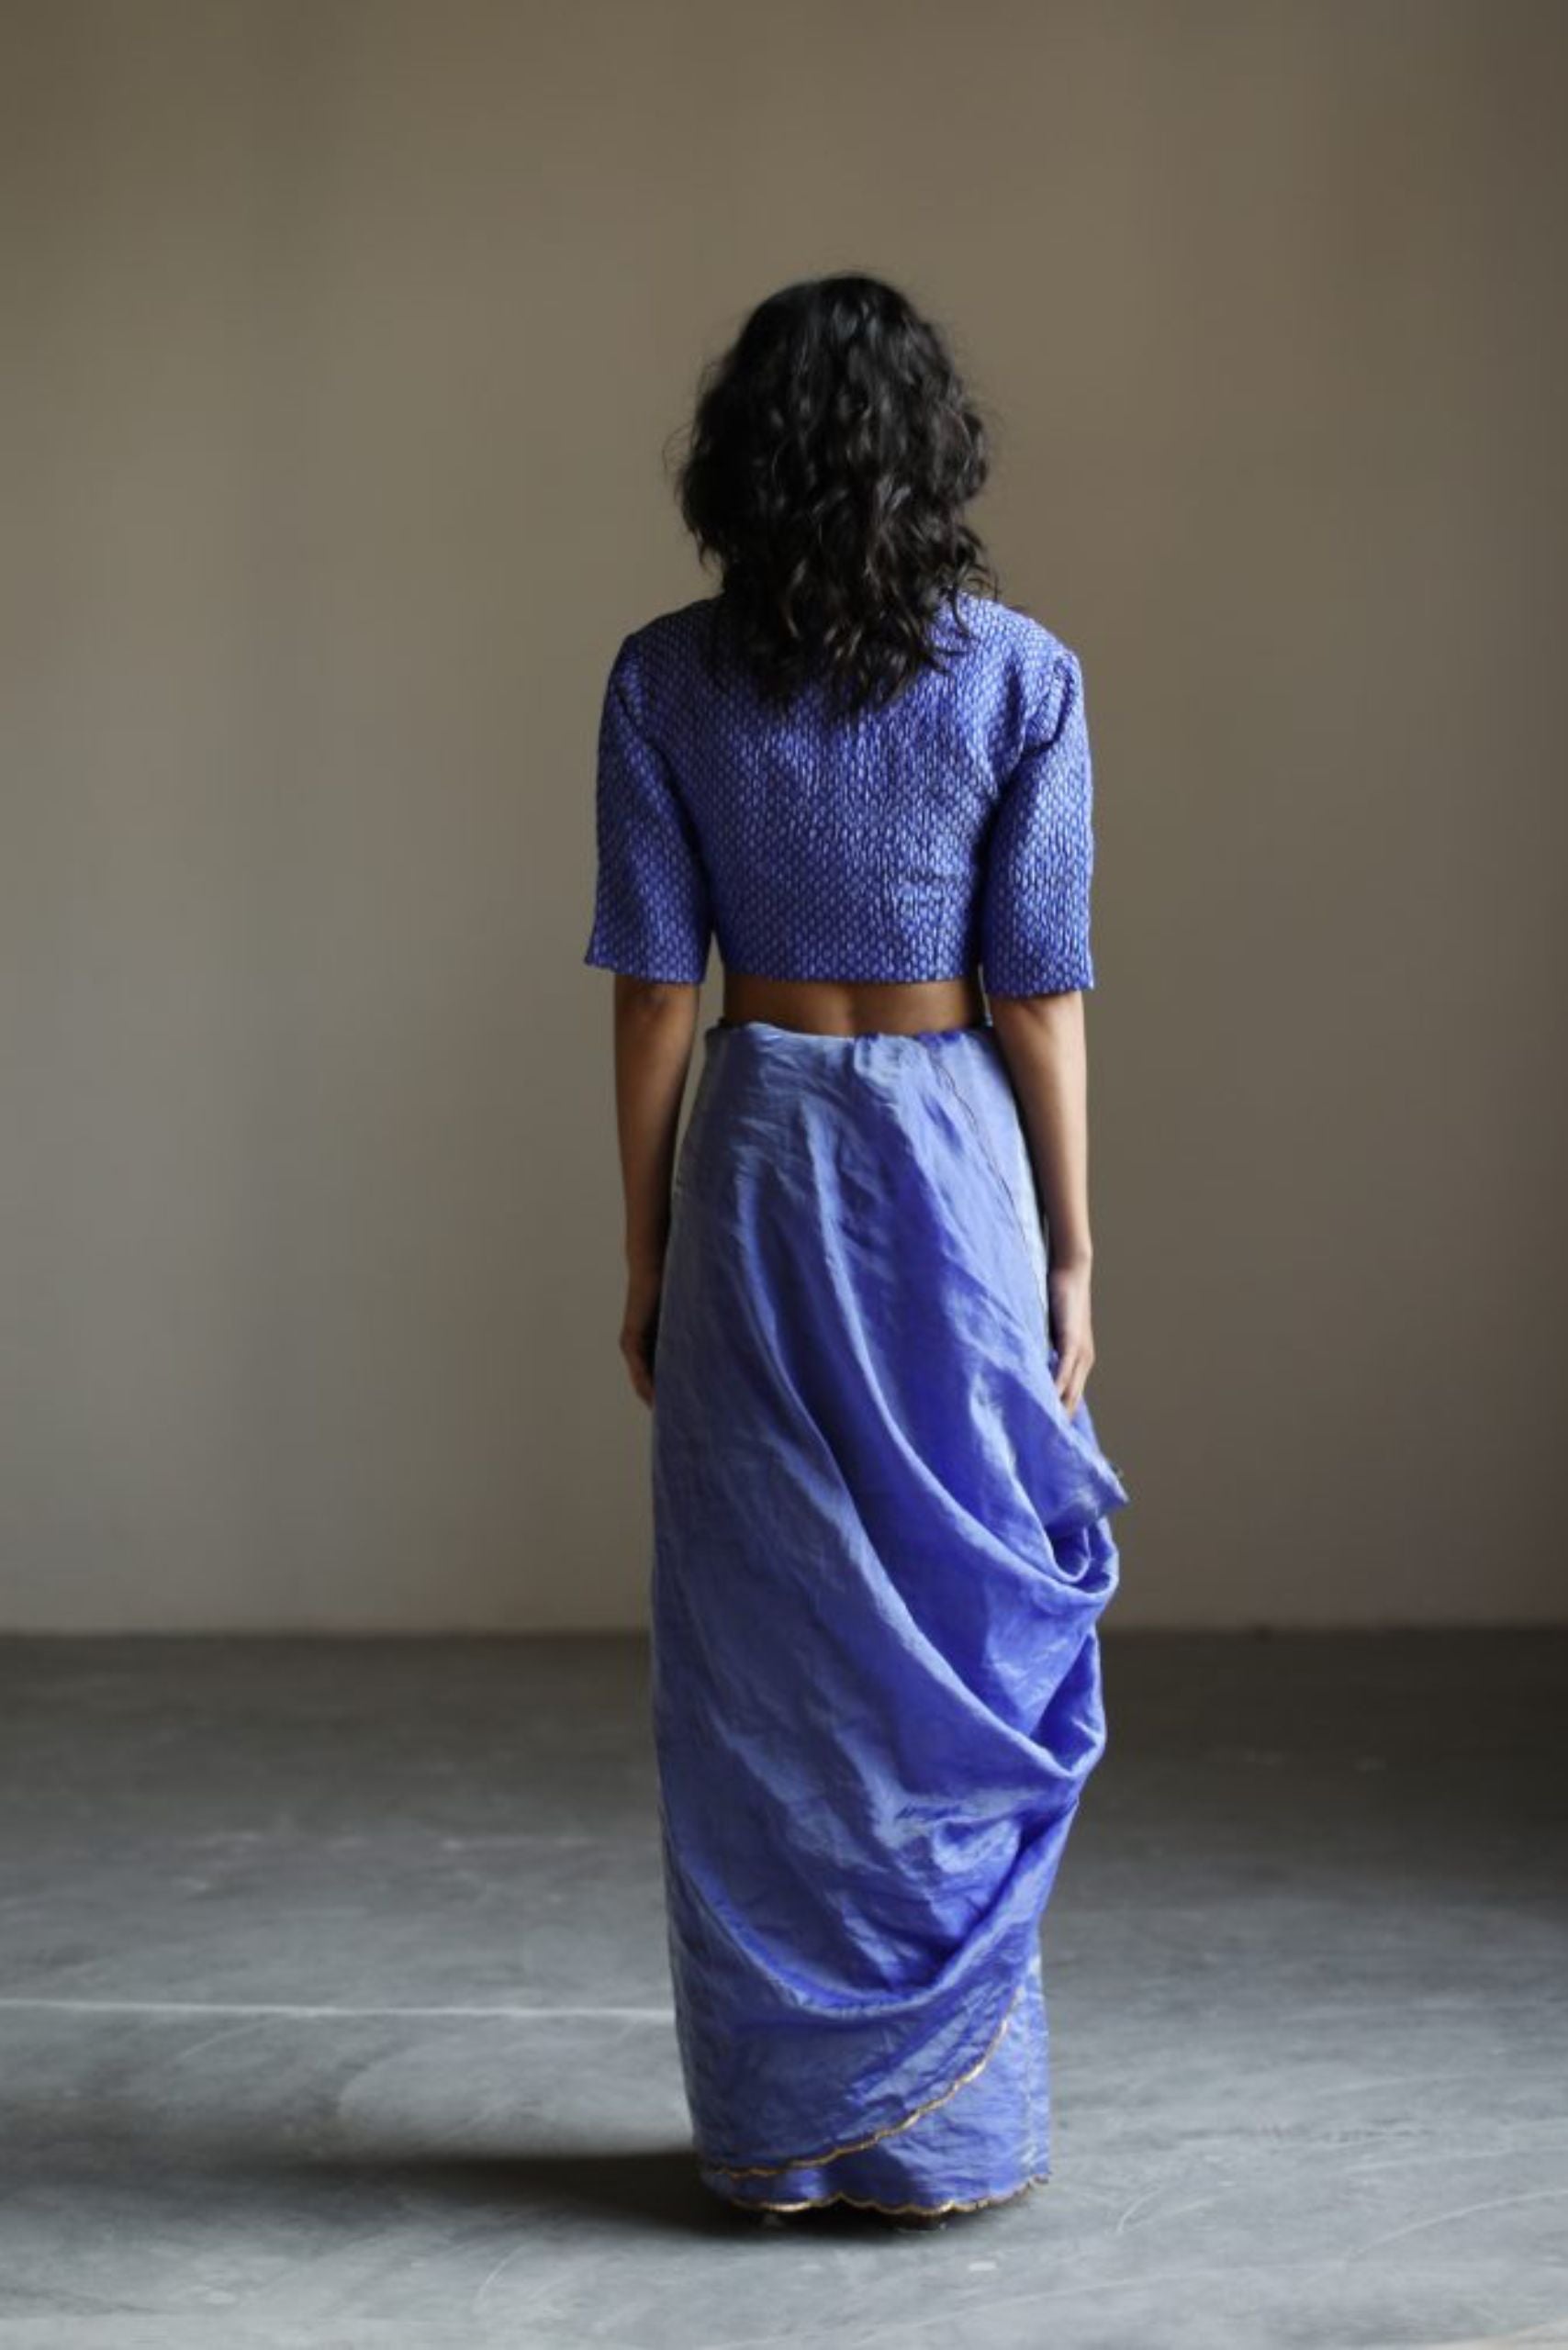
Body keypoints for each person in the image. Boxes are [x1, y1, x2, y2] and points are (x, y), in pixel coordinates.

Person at [583, 273, 1132, 2226]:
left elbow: (657, 995)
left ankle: (783, 2132)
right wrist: (1071, 1252)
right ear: (937, 461)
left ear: (735, 461)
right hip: (947, 1165)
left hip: (756, 1155)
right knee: (945, 1622)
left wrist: (645, 1248)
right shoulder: (1023, 676)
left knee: (764, 1654)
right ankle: (941, 2134)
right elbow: (1039, 993)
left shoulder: (660, 678)